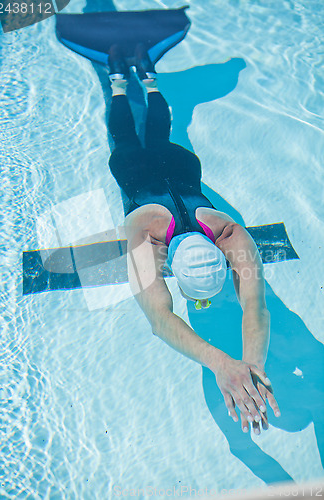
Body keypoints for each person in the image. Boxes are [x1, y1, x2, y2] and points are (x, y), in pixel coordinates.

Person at [107, 44, 281, 435]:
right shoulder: (151, 236)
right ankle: (123, 83)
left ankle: (141, 81)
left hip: (183, 167)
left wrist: (250, 365)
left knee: (154, 138)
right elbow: (163, 321)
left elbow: (254, 307)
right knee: (129, 140)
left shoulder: (220, 232)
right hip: (138, 171)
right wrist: (227, 363)